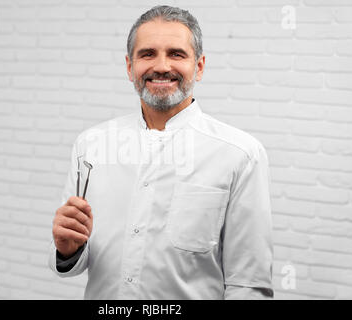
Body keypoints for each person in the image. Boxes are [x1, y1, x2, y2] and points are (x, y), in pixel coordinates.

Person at [49, 5, 274, 300]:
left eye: (176, 54)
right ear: (130, 67)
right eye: (147, 54)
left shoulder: (241, 155)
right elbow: (74, 260)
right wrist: (68, 249)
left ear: (200, 66)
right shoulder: (91, 145)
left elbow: (248, 285)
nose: (162, 66)